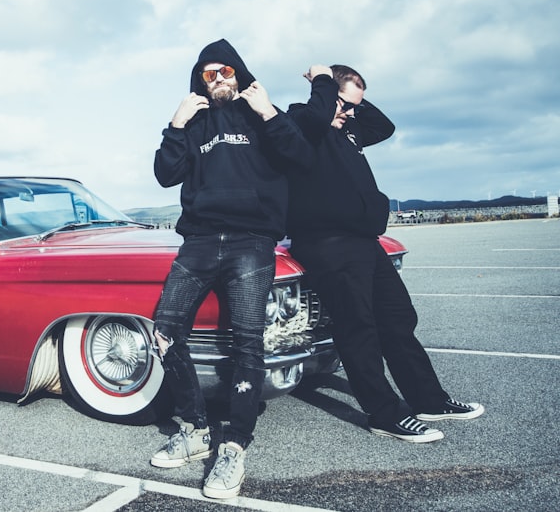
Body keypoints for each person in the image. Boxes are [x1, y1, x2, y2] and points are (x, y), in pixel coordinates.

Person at [285, 64, 484, 443]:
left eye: (353, 107)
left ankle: (428, 400)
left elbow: (385, 126)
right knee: (357, 327)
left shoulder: (349, 130)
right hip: (327, 243)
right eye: (343, 105)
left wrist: (351, 101)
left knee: (397, 319)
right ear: (325, 96)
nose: (348, 114)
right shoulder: (301, 125)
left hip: (362, 241)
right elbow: (314, 117)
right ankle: (384, 414)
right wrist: (324, 86)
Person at [150, 39, 312, 499]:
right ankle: (197, 430)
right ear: (199, 80)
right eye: (208, 74)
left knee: (247, 341)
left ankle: (235, 446)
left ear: (239, 73)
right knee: (164, 332)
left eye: (225, 72)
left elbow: (301, 159)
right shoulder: (194, 122)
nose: (218, 79)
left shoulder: (260, 114)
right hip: (199, 241)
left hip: (250, 241)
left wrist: (270, 115)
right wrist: (176, 123)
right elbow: (165, 174)